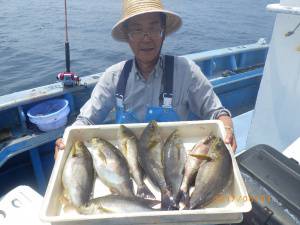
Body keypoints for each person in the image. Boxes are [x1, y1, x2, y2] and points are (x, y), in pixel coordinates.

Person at [55, 0, 237, 158]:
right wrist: (67, 139)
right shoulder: (113, 76)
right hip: (128, 163)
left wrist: (227, 129)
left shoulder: (187, 71)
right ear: (127, 37)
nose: (146, 38)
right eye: (137, 30)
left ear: (163, 33)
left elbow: (216, 112)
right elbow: (86, 121)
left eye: (154, 28)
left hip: (173, 160)